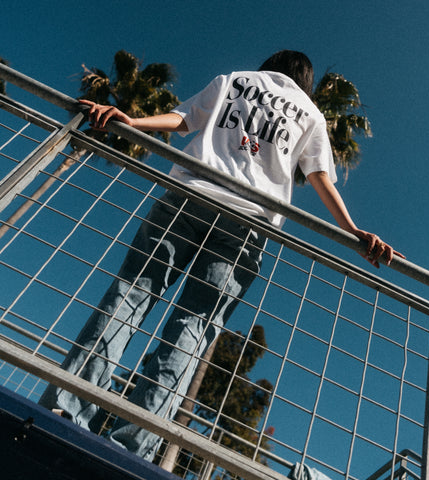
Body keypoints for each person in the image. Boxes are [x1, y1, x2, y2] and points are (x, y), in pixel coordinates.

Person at [39, 50, 404, 461]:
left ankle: (65, 404)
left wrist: (132, 121)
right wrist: (353, 231)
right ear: (306, 81)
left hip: (189, 195)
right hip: (247, 226)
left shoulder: (235, 80)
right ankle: (133, 445)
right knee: (192, 329)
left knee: (131, 295)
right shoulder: (311, 114)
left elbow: (183, 119)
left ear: (270, 65)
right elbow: (319, 177)